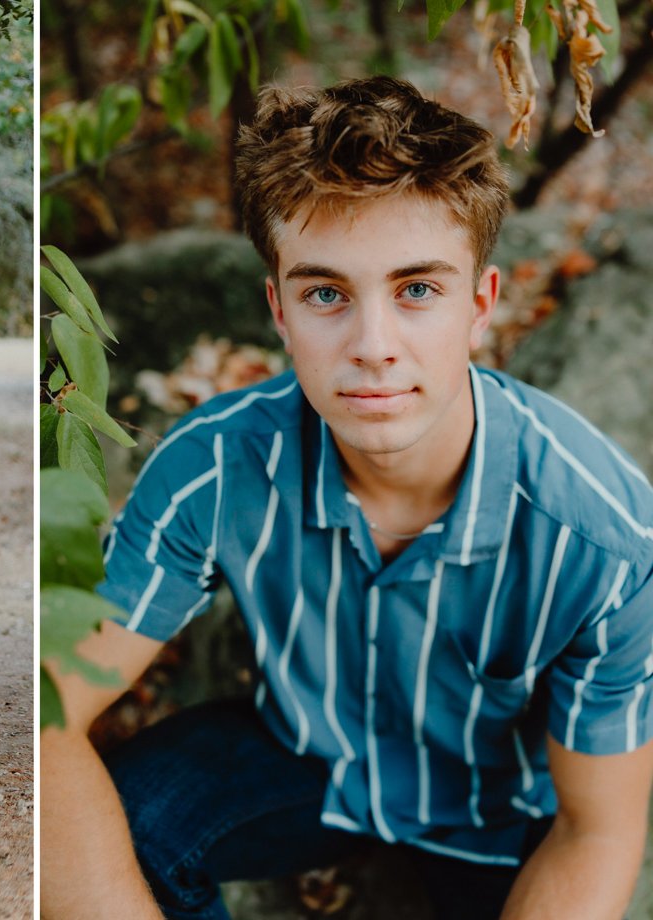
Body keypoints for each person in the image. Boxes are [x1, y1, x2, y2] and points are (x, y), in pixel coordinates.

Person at [41, 76, 653, 919]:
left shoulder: (606, 542)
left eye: (417, 290)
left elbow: (600, 832)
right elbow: (47, 714)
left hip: (497, 811)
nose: (372, 347)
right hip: (306, 757)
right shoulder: (213, 468)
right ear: (280, 311)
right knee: (125, 831)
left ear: (479, 305)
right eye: (326, 293)